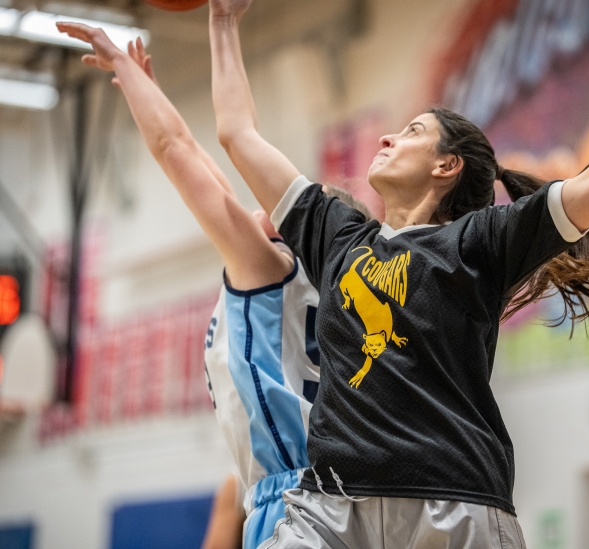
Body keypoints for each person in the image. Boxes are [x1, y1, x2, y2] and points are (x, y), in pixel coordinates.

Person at [206, 1, 589, 547]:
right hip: (336, 506)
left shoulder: (479, 242)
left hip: (454, 501)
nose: (387, 138)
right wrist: (223, 21)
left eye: (411, 131)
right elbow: (237, 134)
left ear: (446, 165)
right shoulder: (339, 238)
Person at [54, 24, 371, 548]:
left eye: (277, 204)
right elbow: (203, 165)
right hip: (337, 502)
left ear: (293, 229)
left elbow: (175, 150)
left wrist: (127, 69)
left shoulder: (270, 269)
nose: (260, 202)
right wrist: (147, 91)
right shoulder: (304, 282)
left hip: (298, 505)